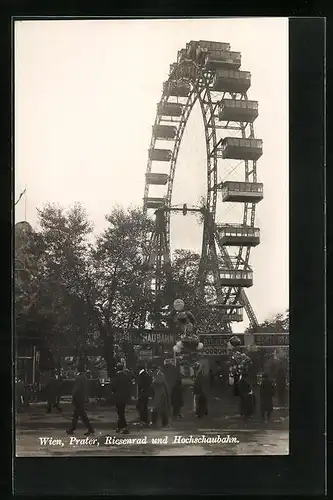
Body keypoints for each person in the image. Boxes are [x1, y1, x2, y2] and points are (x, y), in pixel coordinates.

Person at [66, 369, 94, 435]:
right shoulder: (84, 378)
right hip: (81, 399)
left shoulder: (79, 378)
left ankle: (72, 429)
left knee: (78, 415)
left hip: (78, 399)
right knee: (81, 415)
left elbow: (76, 389)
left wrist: (73, 396)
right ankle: (89, 429)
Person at [111, 363, 132, 434]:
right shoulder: (126, 376)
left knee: (120, 412)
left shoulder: (116, 376)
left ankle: (123, 427)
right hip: (124, 396)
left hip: (118, 397)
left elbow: (113, 387)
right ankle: (120, 427)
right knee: (121, 411)